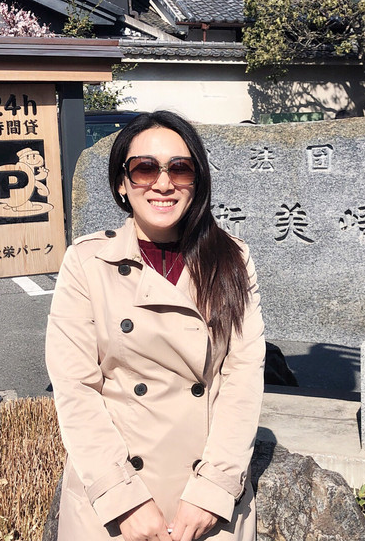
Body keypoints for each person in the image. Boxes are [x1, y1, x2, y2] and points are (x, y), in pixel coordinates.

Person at [45, 111, 266, 541]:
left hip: (205, 502)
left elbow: (242, 378)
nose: (163, 183)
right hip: (114, 501)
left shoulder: (231, 260)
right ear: (121, 184)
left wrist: (214, 489)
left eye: (179, 169)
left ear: (196, 183)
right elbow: (75, 388)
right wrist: (122, 498)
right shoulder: (88, 262)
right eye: (145, 168)